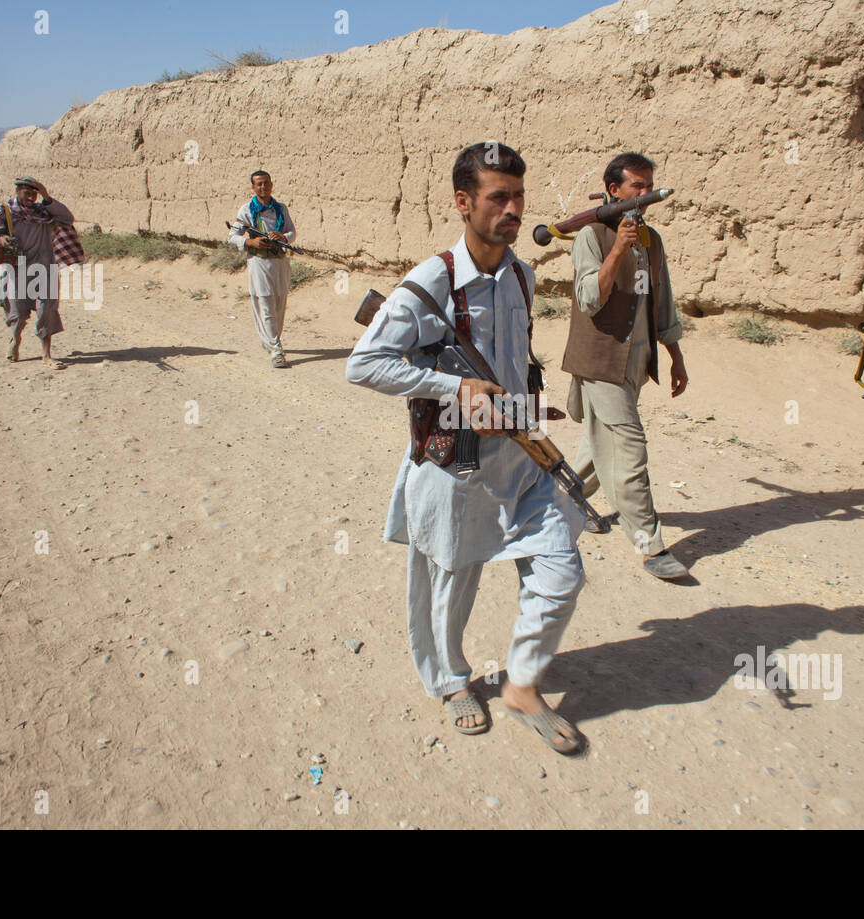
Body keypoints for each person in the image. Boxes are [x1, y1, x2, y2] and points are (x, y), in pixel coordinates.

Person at [346, 142, 587, 755]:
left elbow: (514, 359)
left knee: (562, 571)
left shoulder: (523, 275)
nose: (512, 209)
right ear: (463, 202)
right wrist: (453, 386)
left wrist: (525, 408)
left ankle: (523, 686)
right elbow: (364, 364)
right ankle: (453, 682)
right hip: (456, 464)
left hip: (521, 456)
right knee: (453, 584)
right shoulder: (432, 282)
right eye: (497, 197)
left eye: (518, 197)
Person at [560, 152, 689, 580]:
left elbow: (661, 299)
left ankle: (551, 505)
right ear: (614, 190)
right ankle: (649, 543)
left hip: (636, 360)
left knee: (598, 448)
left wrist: (674, 356)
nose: (645, 193)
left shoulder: (652, 240)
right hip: (600, 360)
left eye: (649, 185)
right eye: (637, 185)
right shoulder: (592, 236)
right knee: (630, 449)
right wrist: (617, 249)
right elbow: (589, 299)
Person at [0, 176, 76, 368]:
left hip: (45, 266)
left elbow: (67, 217)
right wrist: (0, 240)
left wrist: (47, 197)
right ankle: (15, 340)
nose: (31, 197)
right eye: (27, 193)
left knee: (46, 309)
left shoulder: (44, 211)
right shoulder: (5, 212)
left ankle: (46, 355)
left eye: (35, 194)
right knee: (18, 312)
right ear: (18, 192)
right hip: (18, 268)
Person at [228, 170, 296, 368]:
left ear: (271, 185)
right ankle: (276, 350)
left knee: (279, 304)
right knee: (265, 303)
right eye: (258, 184)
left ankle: (271, 339)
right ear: (253, 187)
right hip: (259, 263)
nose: (263, 187)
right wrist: (251, 242)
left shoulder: (280, 209)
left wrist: (282, 237)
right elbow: (232, 236)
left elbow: (291, 231)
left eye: (266, 183)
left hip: (280, 262)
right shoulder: (246, 210)